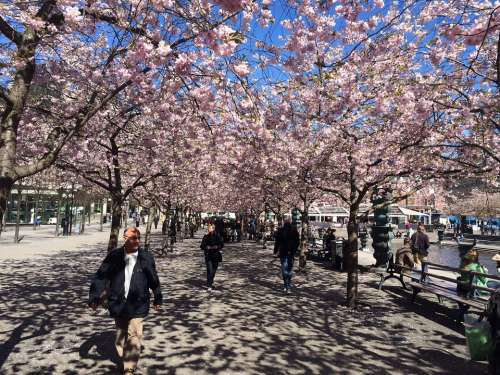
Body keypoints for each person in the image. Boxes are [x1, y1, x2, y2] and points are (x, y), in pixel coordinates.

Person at [89, 227, 162, 375]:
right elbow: (101, 276)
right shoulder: (114, 256)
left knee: (134, 335)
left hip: (139, 303)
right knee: (120, 340)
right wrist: (94, 296)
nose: (136, 241)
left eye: (138, 238)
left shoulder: (146, 257)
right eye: (132, 238)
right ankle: (126, 361)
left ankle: (129, 368)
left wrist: (158, 296)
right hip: (118, 303)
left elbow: (153, 278)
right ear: (124, 238)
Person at [274, 219, 300, 293]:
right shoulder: (294, 231)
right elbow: (297, 242)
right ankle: (288, 285)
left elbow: (277, 242)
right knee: (289, 269)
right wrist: (294, 250)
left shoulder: (281, 230)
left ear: (284, 223)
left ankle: (286, 285)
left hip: (283, 252)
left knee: (284, 268)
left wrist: (275, 250)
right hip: (291, 253)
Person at [200, 224, 224, 292]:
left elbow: (222, 244)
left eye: (210, 228)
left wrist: (217, 247)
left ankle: (210, 281)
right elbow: (201, 246)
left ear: (213, 229)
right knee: (209, 270)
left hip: (216, 255)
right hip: (208, 255)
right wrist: (206, 247)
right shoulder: (206, 236)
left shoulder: (218, 236)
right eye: (208, 228)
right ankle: (209, 285)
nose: (208, 229)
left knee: (213, 270)